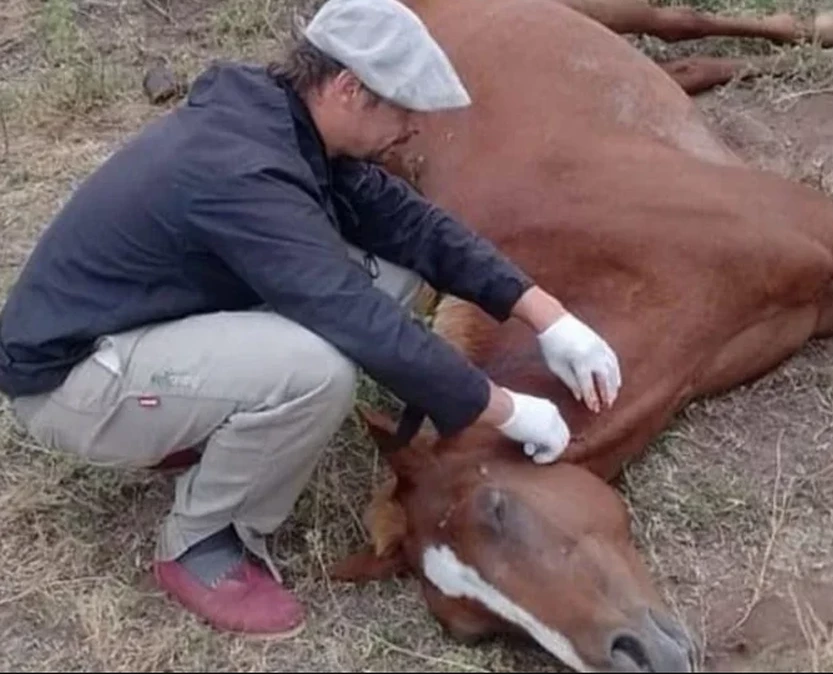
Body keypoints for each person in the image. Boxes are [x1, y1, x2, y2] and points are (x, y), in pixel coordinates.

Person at [0, 0, 622, 640]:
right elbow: (348, 313)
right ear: (350, 88)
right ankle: (203, 542)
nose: (413, 129)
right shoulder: (243, 171)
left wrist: (550, 317)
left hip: (138, 327)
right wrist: (505, 411)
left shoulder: (284, 121)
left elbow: (415, 228)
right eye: (404, 108)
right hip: (73, 383)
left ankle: (204, 421)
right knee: (314, 371)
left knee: (396, 275)